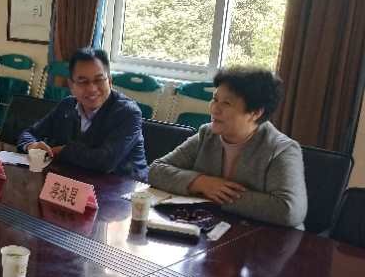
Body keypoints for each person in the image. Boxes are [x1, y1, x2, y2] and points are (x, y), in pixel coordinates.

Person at [149, 67, 307, 227]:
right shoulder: (207, 135)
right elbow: (155, 170)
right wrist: (200, 183)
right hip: (212, 226)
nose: (214, 109)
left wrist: (215, 194)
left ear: (255, 113)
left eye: (226, 103)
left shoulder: (282, 150)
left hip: (263, 236)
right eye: (215, 99)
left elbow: (289, 211)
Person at [17, 49, 148, 180]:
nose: (92, 89)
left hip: (124, 187)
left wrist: (62, 150)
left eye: (99, 80)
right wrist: (31, 145)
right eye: (83, 81)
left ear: (109, 81)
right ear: (71, 85)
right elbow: (29, 133)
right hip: (76, 181)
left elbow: (104, 161)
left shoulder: (128, 113)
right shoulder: (67, 105)